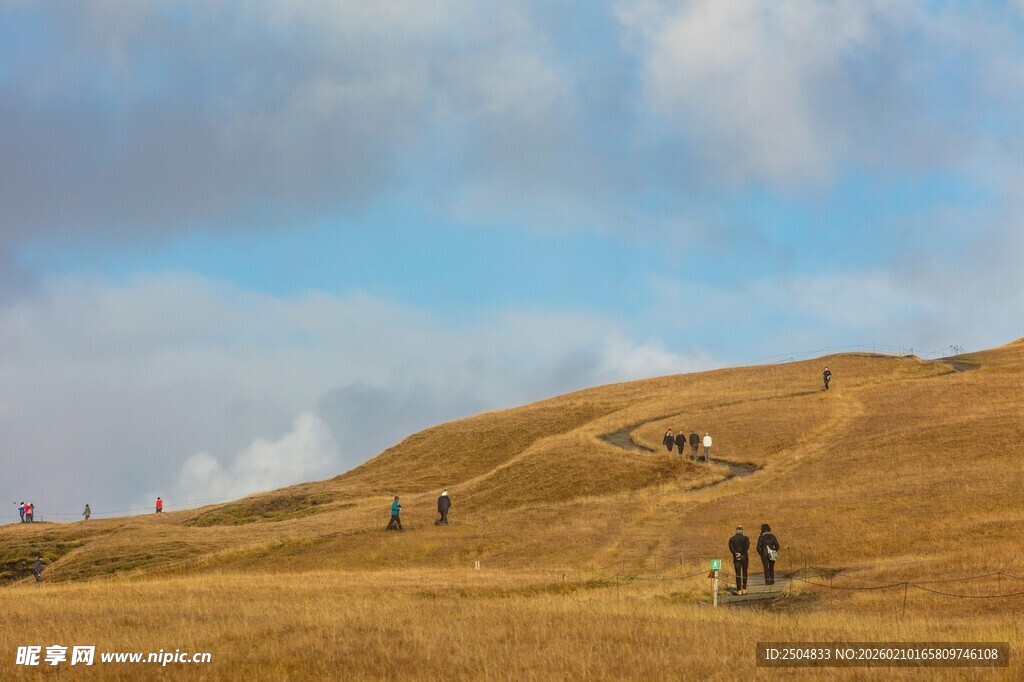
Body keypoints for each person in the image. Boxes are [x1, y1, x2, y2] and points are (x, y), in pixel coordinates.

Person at [729, 525, 750, 595]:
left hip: (736, 557)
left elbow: (731, 548)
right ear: (742, 531)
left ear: (736, 531)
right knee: (744, 572)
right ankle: (744, 588)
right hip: (744, 556)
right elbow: (747, 547)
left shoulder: (732, 539)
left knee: (738, 573)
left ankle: (739, 590)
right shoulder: (746, 538)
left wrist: (736, 553)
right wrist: (741, 553)